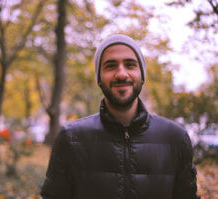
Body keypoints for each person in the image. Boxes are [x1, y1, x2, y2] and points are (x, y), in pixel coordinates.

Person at [41, 34, 199, 199]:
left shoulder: (175, 139)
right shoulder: (71, 139)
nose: (122, 74)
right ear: (99, 79)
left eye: (130, 65)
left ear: (142, 75)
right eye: (110, 66)